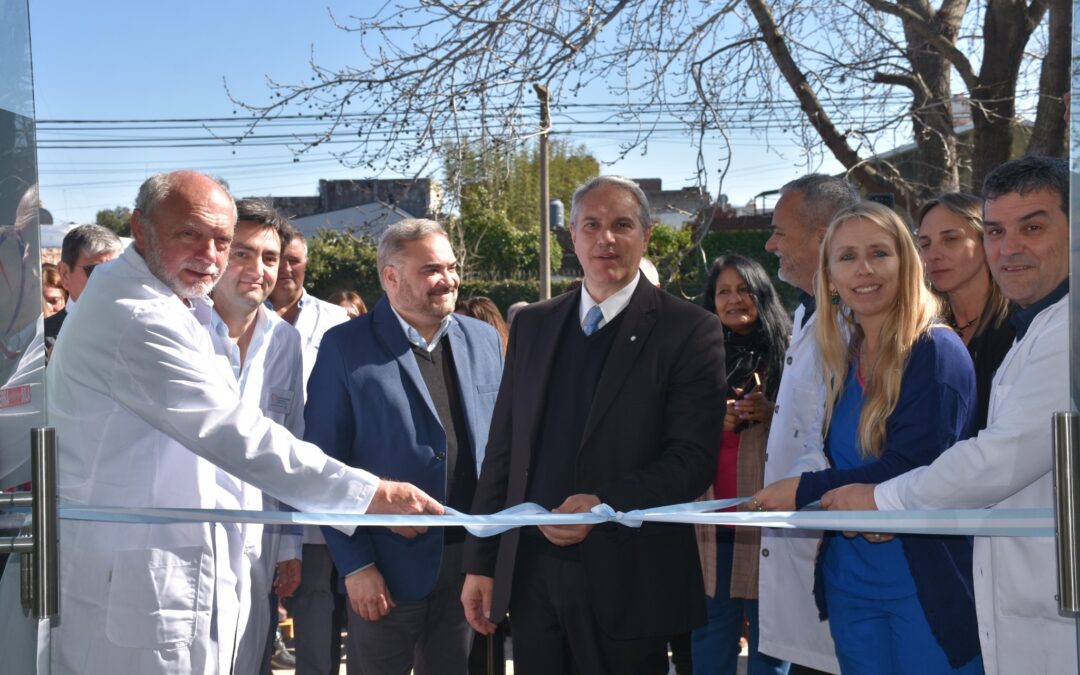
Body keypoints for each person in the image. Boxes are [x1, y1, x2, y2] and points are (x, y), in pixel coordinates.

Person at [18, 170, 442, 675]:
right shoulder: (136, 313)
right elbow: (236, 434)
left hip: (213, 574)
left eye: (221, 240)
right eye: (189, 234)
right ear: (141, 226)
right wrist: (371, 496)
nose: (209, 254)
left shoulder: (180, 305)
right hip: (138, 587)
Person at [461, 175, 726, 675]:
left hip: (631, 582)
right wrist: (482, 560)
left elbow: (691, 461)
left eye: (622, 225)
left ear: (646, 236)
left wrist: (606, 505)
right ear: (573, 238)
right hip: (534, 582)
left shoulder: (689, 329)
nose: (606, 238)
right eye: (592, 225)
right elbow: (504, 451)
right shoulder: (534, 324)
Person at [822, 157, 1076, 674]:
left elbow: (997, 461)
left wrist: (880, 499)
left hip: (1026, 596)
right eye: (998, 231)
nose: (1009, 248)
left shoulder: (1059, 334)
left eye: (1033, 226)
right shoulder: (1041, 327)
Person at [754, 202, 982, 673]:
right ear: (830, 278)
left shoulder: (936, 352)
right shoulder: (843, 355)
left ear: (906, 263)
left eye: (879, 253)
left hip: (922, 588)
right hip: (848, 585)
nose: (864, 270)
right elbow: (835, 460)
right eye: (847, 257)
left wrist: (801, 491)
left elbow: (913, 468)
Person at [306, 219, 504, 675]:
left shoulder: (484, 339)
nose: (449, 280)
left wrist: (488, 559)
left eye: (452, 267)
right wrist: (356, 567)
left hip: (466, 567)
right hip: (384, 573)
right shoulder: (344, 346)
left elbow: (499, 451)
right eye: (432, 269)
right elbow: (321, 466)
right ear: (390, 277)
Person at [757, 174, 860, 674]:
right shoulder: (807, 314)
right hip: (804, 550)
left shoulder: (858, 323)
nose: (770, 243)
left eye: (780, 231)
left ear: (822, 238)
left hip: (841, 566)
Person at [207, 198, 305, 674]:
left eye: (269, 258)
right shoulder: (181, 328)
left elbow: (290, 441)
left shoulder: (285, 342)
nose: (258, 269)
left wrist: (288, 545)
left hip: (259, 547)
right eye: (242, 253)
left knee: (249, 658)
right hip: (187, 537)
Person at [692, 254, 790, 675]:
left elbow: (815, 425)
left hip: (769, 520)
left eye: (744, 289)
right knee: (711, 633)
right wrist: (712, 419)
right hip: (710, 524)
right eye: (723, 292)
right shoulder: (694, 355)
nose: (734, 299)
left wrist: (774, 412)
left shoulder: (792, 350)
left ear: (761, 293)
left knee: (772, 637)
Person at [267, 228, 352, 675]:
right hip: (259, 484)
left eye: (293, 259)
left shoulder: (337, 320)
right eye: (275, 258)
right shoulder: (236, 318)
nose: (284, 268)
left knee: (317, 600)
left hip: (319, 485)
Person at [916, 193, 1014, 430]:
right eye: (925, 244)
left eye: (950, 239)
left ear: (985, 242)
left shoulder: (1019, 326)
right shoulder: (920, 330)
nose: (933, 255)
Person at [45, 223, 123, 342]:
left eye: (116, 269)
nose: (108, 281)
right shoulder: (41, 340)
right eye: (96, 271)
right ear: (65, 273)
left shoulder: (134, 328)